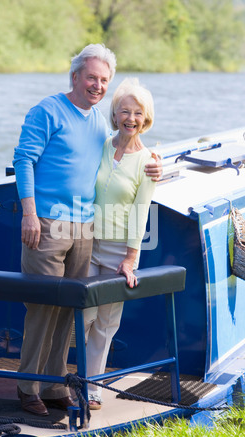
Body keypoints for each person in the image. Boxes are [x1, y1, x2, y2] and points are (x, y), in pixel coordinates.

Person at [13, 44, 162, 416]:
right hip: (47, 225)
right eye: (92, 77)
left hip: (85, 230)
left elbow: (127, 146)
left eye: (103, 80)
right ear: (76, 76)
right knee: (44, 309)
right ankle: (27, 388)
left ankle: (53, 385)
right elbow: (23, 160)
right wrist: (29, 214)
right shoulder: (47, 110)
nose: (97, 85)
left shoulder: (99, 121)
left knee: (69, 313)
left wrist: (156, 164)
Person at [84, 78, 156, 410]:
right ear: (114, 114)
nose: (130, 118)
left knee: (105, 322)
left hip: (119, 252)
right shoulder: (99, 144)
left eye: (137, 113)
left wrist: (131, 258)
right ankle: (61, 382)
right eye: (124, 111)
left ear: (146, 118)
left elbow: (141, 213)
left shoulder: (148, 162)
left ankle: (91, 388)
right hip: (86, 242)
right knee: (81, 317)